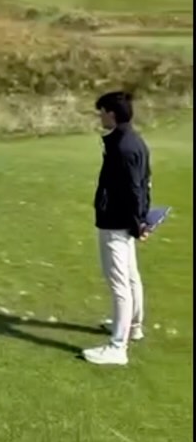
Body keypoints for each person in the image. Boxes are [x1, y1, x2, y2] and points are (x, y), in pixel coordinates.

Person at [82, 90, 152, 367]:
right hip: (125, 221)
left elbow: (134, 189)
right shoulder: (131, 141)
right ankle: (133, 326)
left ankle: (117, 346)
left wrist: (138, 223)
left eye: (101, 111)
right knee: (131, 276)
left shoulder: (124, 146)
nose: (100, 116)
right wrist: (140, 220)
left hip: (116, 222)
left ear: (111, 113)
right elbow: (143, 185)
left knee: (119, 284)